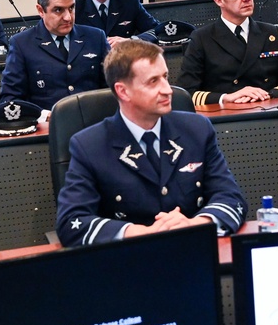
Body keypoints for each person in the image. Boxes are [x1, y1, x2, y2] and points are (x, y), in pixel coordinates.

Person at [56, 40, 246, 247]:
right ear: (123, 91)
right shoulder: (90, 146)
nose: (168, 90)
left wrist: (197, 224)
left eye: (165, 77)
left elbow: (231, 197)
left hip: (193, 250)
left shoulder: (197, 129)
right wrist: (136, 232)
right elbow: (71, 222)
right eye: (153, 82)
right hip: (127, 261)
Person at [179, 0, 278, 106]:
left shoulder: (271, 33)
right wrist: (226, 98)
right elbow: (186, 92)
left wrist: (266, 95)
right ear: (219, 1)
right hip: (227, 116)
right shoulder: (202, 38)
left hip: (269, 110)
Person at [0, 0, 109, 111]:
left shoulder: (96, 37)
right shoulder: (22, 44)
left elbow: (114, 87)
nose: (68, 17)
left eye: (71, 8)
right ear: (40, 10)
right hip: (47, 126)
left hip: (93, 123)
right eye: (58, 10)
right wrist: (43, 116)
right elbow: (9, 98)